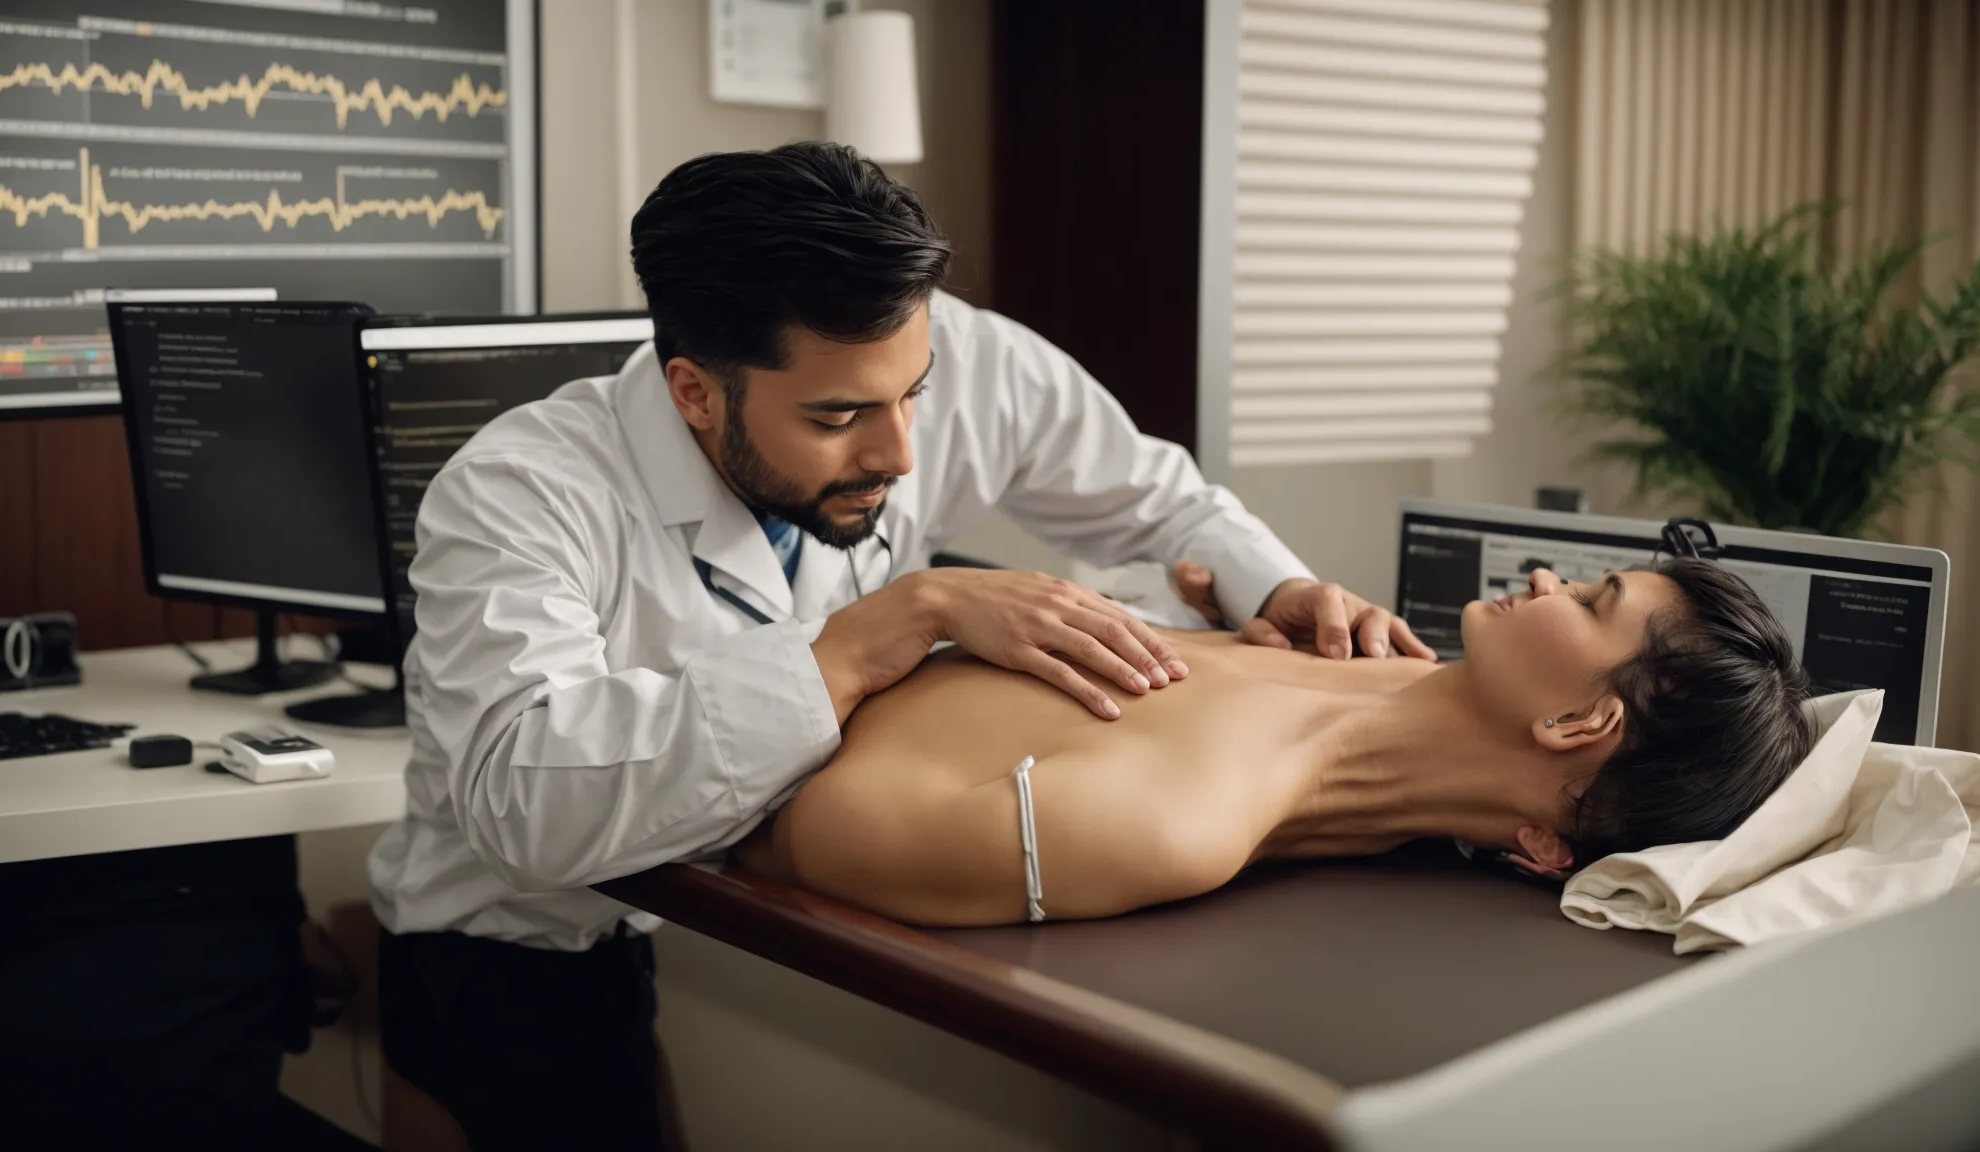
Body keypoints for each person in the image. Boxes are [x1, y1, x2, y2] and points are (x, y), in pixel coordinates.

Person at [366, 140, 1432, 1149]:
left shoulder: (933, 351)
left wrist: (1277, 585)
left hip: (685, 912)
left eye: (912, 396)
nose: (900, 452)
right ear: (694, 391)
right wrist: (878, 630)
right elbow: (524, 804)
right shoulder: (519, 489)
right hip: (505, 943)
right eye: (836, 420)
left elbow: (1161, 504)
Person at [737, 560, 1819, 926]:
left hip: (716, 723)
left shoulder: (1173, 821)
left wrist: (915, 611)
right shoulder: (1350, 647)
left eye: (1587, 599)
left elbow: (797, 838)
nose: (1544, 578)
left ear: (1578, 723)